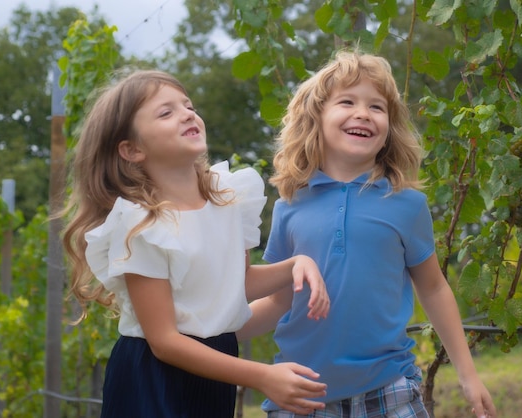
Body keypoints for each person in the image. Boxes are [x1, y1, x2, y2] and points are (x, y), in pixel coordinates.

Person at [61, 69, 331, 418]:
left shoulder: (229, 200)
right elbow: (165, 342)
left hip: (214, 373)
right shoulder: (141, 226)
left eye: (188, 106)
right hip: (153, 382)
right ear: (132, 149)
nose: (187, 113)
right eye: (166, 112)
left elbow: (235, 285)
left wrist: (296, 266)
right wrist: (262, 375)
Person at [248, 50, 497, 418]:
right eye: (347, 101)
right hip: (301, 392)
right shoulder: (290, 204)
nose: (363, 113)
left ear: (388, 131)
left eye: (376, 107)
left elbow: (433, 287)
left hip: (389, 388)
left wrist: (468, 374)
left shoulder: (406, 204)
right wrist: (212, 333)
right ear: (315, 118)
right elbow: (278, 300)